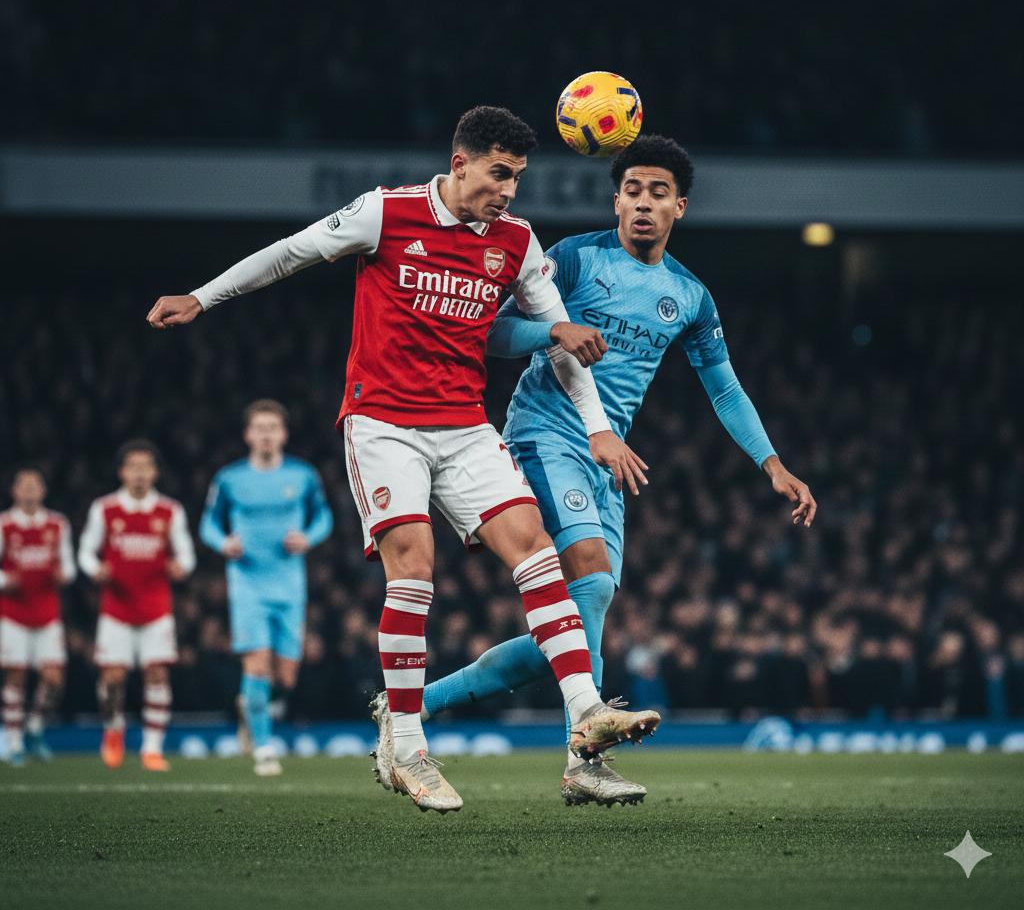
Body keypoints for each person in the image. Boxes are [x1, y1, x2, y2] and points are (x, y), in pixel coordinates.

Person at [147, 106, 658, 813]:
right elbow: (291, 252)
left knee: (536, 551)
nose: (509, 191)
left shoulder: (514, 240)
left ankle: (585, 711)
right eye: (498, 174)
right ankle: (409, 747)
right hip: (384, 425)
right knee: (414, 567)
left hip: (465, 426)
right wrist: (202, 298)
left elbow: (564, 343)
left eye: (518, 178)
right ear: (461, 164)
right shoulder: (385, 213)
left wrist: (597, 428)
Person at [420, 134, 817, 806]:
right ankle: (573, 757)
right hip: (545, 434)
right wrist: (553, 331)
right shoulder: (573, 259)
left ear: (679, 208)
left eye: (657, 193)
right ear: (616, 199)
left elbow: (725, 389)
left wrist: (772, 464)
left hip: (610, 457)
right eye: (632, 190)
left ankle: (419, 704)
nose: (642, 202)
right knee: (593, 590)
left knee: (579, 622)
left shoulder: (690, 296)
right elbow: (489, 333)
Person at [199, 399, 334, 776]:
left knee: (286, 677)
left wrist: (307, 538)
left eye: (272, 428)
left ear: (283, 435)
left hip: (290, 585)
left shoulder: (303, 476)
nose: (266, 435)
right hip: (247, 585)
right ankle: (263, 749)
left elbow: (324, 517)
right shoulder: (229, 479)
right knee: (256, 665)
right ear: (248, 435)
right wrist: (222, 543)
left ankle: (252, 708)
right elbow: (208, 524)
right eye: (259, 428)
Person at [78, 440, 195, 771]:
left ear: (155, 472)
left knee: (157, 674)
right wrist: (94, 568)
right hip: (116, 608)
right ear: (122, 472)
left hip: (156, 608)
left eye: (146, 466)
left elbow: (186, 553)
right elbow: (86, 550)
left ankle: (152, 749)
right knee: (112, 679)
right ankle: (114, 728)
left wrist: (181, 567)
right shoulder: (105, 509)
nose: (140, 473)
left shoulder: (170, 511)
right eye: (133, 466)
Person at [0, 468, 76, 766]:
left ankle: (35, 726)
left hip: (47, 613)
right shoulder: (5, 524)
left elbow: (68, 567)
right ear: (14, 491)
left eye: (35, 485)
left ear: (43, 491)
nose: (30, 490)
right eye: (24, 484)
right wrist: (6, 580)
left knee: (54, 677)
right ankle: (15, 742)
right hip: (14, 614)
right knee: (16, 676)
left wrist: (63, 575)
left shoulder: (57, 524)